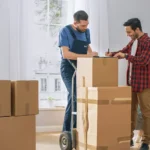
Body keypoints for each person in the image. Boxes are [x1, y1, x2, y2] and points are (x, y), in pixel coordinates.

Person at [105, 18, 150, 150]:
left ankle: (146, 142)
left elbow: (143, 61)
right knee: (130, 112)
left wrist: (125, 57)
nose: (127, 34)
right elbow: (124, 51)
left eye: (129, 32)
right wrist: (112, 54)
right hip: (132, 83)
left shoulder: (147, 42)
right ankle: (128, 138)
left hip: (144, 85)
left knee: (147, 113)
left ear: (137, 29)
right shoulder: (133, 42)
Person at [58, 10, 98, 132]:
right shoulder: (65, 31)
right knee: (75, 95)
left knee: (76, 97)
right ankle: (68, 131)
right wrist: (87, 56)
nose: (85, 28)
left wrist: (93, 54)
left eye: (87, 25)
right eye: (82, 25)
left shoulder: (86, 31)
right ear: (75, 23)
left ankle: (73, 130)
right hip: (68, 68)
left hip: (81, 66)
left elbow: (88, 49)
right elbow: (66, 54)